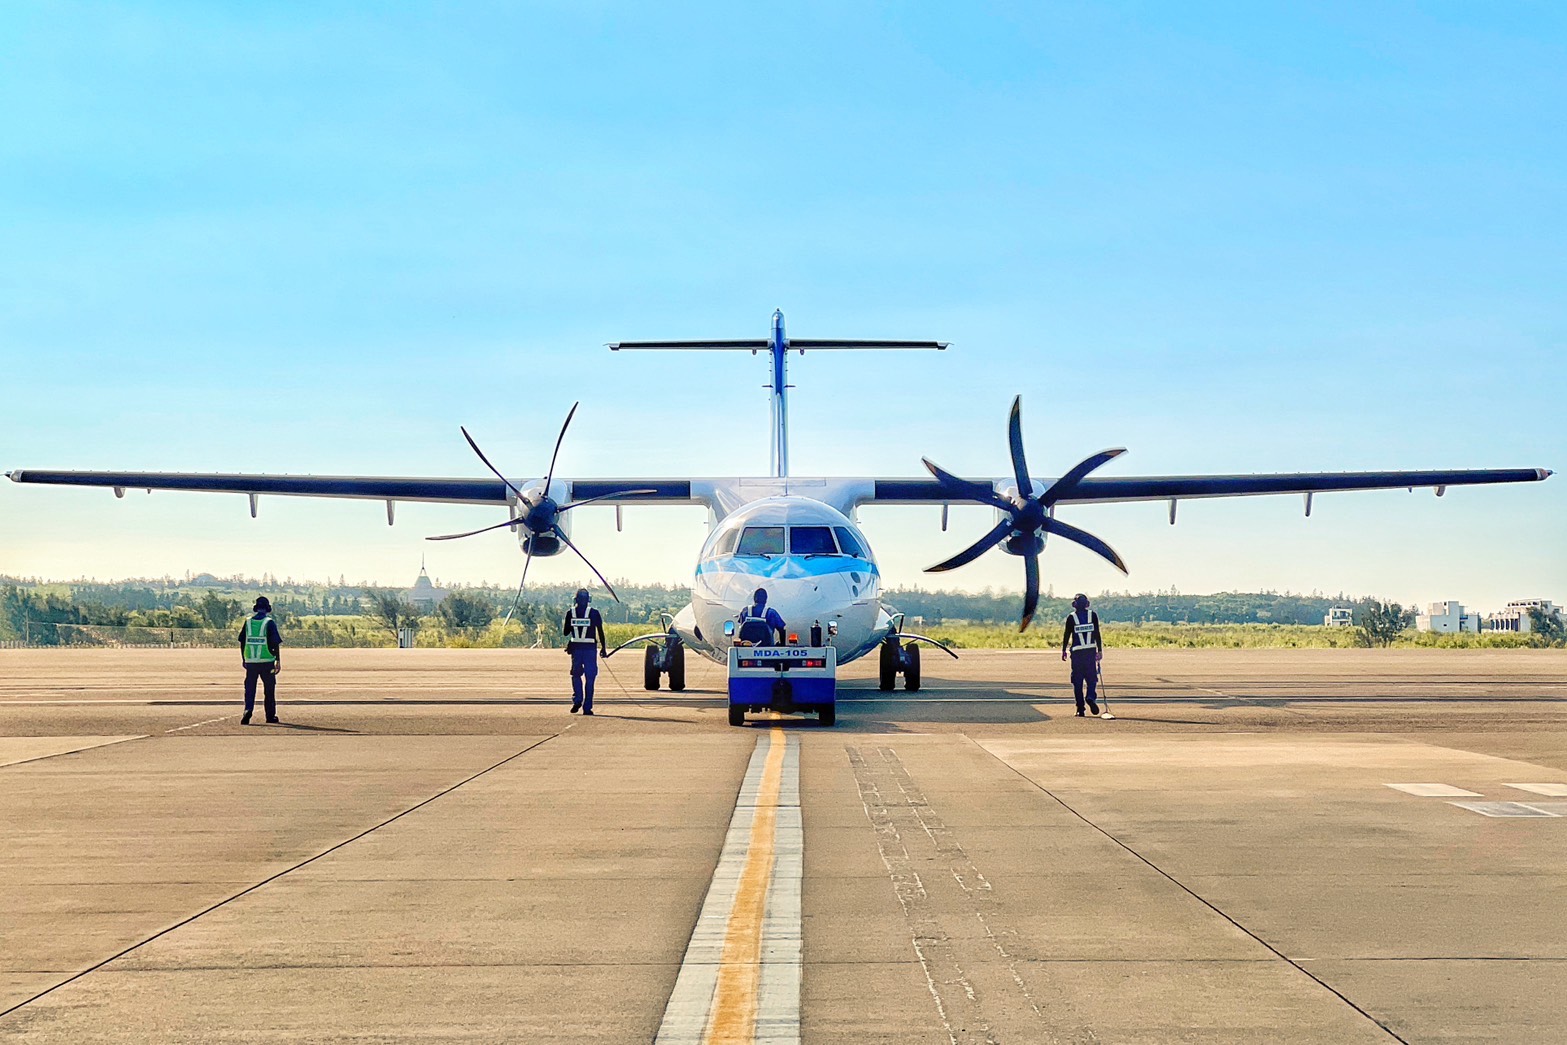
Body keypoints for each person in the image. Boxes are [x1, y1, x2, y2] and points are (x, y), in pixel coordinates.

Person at [238, 596, 282, 725]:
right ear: (267, 609)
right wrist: (278, 660)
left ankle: (247, 710)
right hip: (267, 660)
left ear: (256, 608)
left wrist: (244, 658)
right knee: (269, 689)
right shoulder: (269, 622)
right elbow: (275, 643)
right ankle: (270, 716)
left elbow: (242, 641)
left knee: (250, 688)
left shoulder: (248, 622)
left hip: (251, 661)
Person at [563, 588, 607, 715]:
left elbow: (566, 632)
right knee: (590, 677)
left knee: (576, 675)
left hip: (576, 649)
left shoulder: (570, 613)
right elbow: (600, 631)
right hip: (590, 650)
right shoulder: (594, 613)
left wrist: (574, 625)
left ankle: (577, 699)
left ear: (575, 599)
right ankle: (587, 707)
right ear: (589, 600)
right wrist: (603, 648)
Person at [1060, 593, 1103, 717]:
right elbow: (1097, 634)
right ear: (1087, 604)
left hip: (1077, 654)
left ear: (1074, 604)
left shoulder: (1071, 617)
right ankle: (1090, 696)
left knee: (1077, 682)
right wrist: (1099, 650)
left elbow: (1067, 634)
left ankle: (1080, 709)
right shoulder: (1092, 615)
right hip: (1090, 652)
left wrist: (1063, 650)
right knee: (1092, 679)